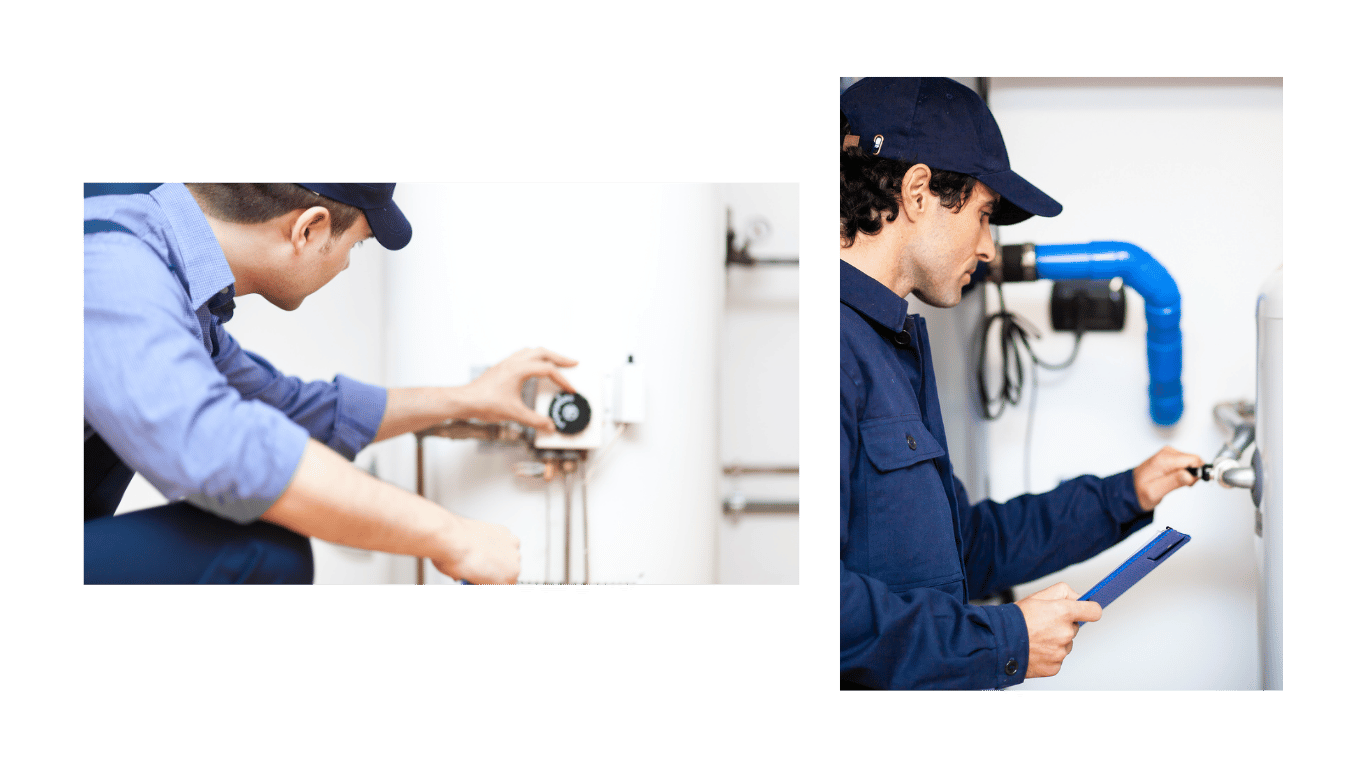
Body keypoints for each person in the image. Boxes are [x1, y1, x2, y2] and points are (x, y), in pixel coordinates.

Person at [838, 77, 1204, 689]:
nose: (987, 249)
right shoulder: (833, 349)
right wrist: (1005, 640)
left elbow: (970, 546)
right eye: (983, 216)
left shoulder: (892, 346)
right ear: (918, 192)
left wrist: (1127, 494)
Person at [82, 182, 577, 584]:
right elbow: (220, 447)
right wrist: (451, 535)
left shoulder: (177, 284)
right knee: (260, 552)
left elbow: (287, 410)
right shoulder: (112, 260)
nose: (344, 263)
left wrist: (467, 400)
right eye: (355, 244)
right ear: (309, 229)